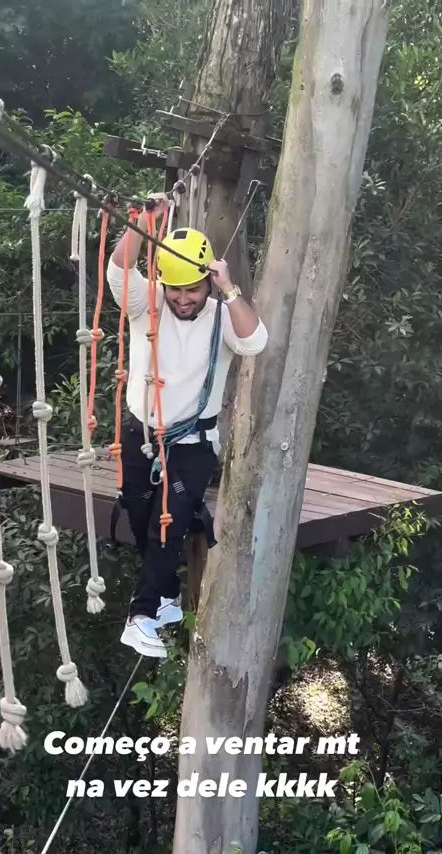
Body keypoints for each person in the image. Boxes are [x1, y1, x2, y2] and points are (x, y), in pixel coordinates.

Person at [106, 193, 268, 657]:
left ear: (206, 284)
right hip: (139, 434)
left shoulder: (222, 316)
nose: (182, 298)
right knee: (141, 518)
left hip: (192, 442)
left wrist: (229, 289)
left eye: (192, 290)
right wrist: (143, 221)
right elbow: (118, 271)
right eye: (175, 289)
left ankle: (140, 616)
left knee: (168, 524)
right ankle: (167, 597)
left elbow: (255, 342)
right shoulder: (148, 303)